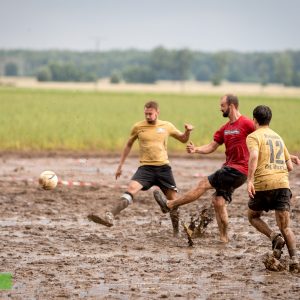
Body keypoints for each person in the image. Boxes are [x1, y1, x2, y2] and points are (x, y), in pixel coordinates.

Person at [153, 94, 256, 243]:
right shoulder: (225, 128)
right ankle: (223, 238)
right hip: (233, 171)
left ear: (231, 106)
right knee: (219, 202)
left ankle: (170, 204)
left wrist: (285, 156)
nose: (220, 108)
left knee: (202, 184)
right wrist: (196, 150)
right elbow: (212, 146)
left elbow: (263, 136)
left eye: (222, 105)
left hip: (237, 170)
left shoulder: (247, 123)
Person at [88, 100, 194, 235]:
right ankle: (110, 215)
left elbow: (183, 139)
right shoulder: (138, 127)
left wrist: (187, 131)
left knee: (173, 201)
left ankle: (175, 232)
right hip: (146, 169)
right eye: (146, 114)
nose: (148, 116)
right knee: (131, 189)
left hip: (163, 168)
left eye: (150, 114)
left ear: (157, 112)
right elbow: (128, 145)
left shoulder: (167, 126)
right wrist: (120, 165)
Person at [246, 105, 299, 273]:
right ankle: (295, 260)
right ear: (269, 120)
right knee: (286, 227)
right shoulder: (278, 137)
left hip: (264, 184)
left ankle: (274, 237)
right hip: (283, 185)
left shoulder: (253, 136)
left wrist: (249, 180)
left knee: (253, 216)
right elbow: (290, 166)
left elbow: (254, 156)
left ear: (254, 119)